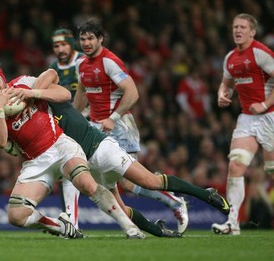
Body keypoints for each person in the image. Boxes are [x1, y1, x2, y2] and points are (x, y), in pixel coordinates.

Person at [33, 68, 230, 237]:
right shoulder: (39, 121)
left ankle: (206, 194)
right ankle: (160, 231)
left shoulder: (55, 98)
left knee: (150, 182)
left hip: (101, 149)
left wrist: (33, 92)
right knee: (119, 210)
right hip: (88, 164)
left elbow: (51, 73)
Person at [0, 61, 144, 239]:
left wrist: (32, 93)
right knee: (16, 216)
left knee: (87, 185)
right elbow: (1, 141)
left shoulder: (23, 83)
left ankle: (130, 228)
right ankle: (62, 227)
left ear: (2, 77)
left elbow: (62, 91)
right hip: (36, 161)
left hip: (60, 145)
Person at [72, 20, 189, 233]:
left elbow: (133, 92)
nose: (86, 43)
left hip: (120, 126)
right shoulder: (80, 65)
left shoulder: (110, 62)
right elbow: (81, 92)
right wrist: (72, 118)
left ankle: (175, 202)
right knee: (109, 185)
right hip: (96, 129)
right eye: (82, 39)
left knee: (127, 182)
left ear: (100, 39)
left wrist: (113, 118)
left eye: (90, 38)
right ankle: (136, 227)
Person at [212, 13, 274, 235]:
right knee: (236, 166)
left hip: (271, 117)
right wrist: (222, 94)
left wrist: (265, 104)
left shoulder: (260, 53)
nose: (237, 30)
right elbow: (225, 84)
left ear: (252, 32)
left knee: (271, 170)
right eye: (235, 27)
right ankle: (233, 223)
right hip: (247, 118)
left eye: (242, 27)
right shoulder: (230, 58)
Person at [47, 28, 85, 228]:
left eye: (64, 44)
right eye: (56, 46)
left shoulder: (84, 63)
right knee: (67, 171)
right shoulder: (53, 69)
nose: (60, 49)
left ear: (72, 44)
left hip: (95, 123)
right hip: (70, 126)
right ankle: (72, 222)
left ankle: (167, 198)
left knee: (124, 180)